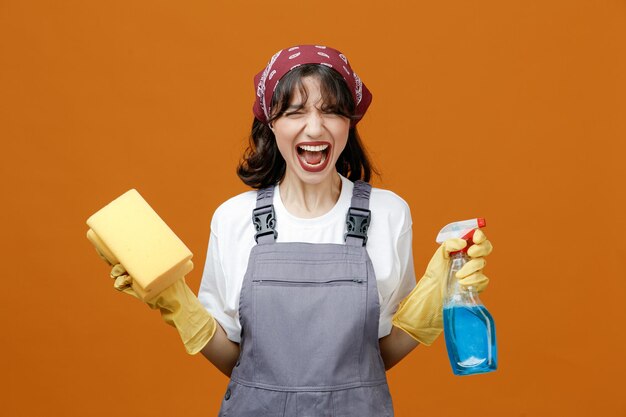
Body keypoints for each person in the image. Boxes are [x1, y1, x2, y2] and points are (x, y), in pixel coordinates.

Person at [106, 44, 493, 417]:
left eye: (331, 111)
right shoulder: (233, 218)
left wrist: (439, 295)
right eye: (294, 112)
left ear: (350, 122)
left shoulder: (389, 213)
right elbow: (242, 367)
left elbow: (374, 361)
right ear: (271, 123)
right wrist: (176, 302)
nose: (314, 127)